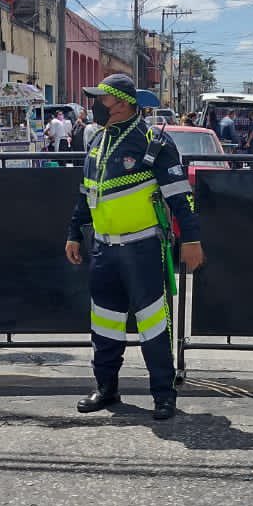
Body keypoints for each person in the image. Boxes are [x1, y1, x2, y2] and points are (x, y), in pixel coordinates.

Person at [65, 74, 204, 422]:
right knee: (105, 323)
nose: (95, 105)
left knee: (153, 325)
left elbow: (180, 198)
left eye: (102, 99)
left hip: (142, 249)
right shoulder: (97, 140)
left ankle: (163, 394)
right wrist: (73, 233)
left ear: (122, 102)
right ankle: (107, 387)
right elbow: (87, 192)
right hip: (103, 250)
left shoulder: (153, 142)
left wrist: (191, 239)